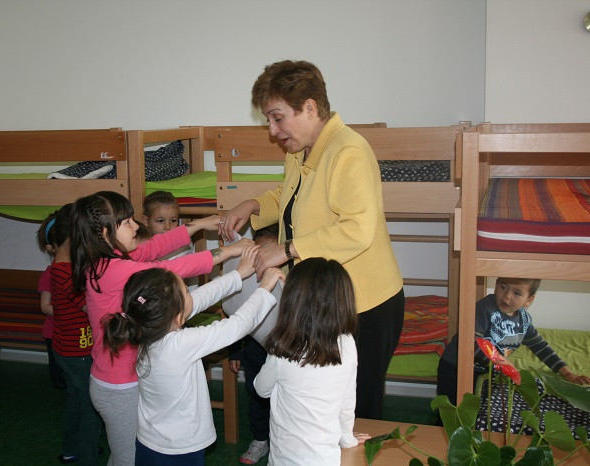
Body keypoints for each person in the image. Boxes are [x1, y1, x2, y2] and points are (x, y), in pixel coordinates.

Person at [219, 60, 404, 420]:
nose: (272, 130)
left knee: (356, 414)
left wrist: (286, 250)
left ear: (309, 108)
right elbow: (290, 198)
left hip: (365, 305)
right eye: (268, 120)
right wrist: (254, 205)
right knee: (321, 408)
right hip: (325, 300)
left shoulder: (348, 152)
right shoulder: (299, 150)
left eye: (277, 118)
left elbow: (356, 229)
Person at [70, 190, 252, 465]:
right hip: (119, 387)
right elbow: (170, 268)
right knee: (127, 459)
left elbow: (153, 247)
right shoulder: (114, 270)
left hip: (121, 381)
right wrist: (230, 251)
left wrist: (198, 225)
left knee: (127, 456)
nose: (136, 226)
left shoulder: (109, 259)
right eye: (127, 222)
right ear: (105, 233)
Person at [101, 248, 284, 465]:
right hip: (181, 450)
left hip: (148, 443)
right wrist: (264, 289)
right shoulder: (180, 345)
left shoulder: (145, 329)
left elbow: (200, 298)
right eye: (187, 291)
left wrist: (237, 275)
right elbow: (236, 326)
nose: (192, 295)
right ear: (179, 317)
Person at [254, 258, 370, 465]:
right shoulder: (347, 344)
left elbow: (261, 389)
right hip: (326, 460)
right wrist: (347, 439)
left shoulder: (283, 348)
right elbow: (347, 400)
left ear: (292, 301)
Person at [437, 277, 590, 406]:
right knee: (450, 406)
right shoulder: (484, 308)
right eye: (503, 287)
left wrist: (565, 371)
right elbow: (471, 344)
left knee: (478, 407)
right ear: (496, 286)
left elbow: (540, 346)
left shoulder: (523, 321)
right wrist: (504, 364)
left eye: (517, 293)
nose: (507, 296)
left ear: (528, 300)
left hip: (485, 371)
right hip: (456, 366)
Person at [46, 203, 103, 465]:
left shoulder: (59, 268)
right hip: (78, 353)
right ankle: (88, 457)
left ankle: (71, 448)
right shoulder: (67, 274)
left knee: (76, 400)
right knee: (90, 406)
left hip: (66, 349)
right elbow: (92, 308)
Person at [227, 224, 280, 464]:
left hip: (283, 351)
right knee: (257, 397)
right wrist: (235, 352)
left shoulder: (286, 280)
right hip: (253, 351)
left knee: (282, 399)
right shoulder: (248, 279)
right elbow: (236, 316)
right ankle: (260, 439)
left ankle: (279, 439)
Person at [36, 209, 67, 389]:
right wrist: (68, 311)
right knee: (58, 372)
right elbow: (45, 306)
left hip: (76, 333)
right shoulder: (50, 274)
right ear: (51, 248)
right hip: (54, 332)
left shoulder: (81, 271)